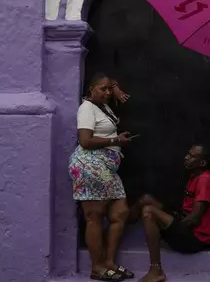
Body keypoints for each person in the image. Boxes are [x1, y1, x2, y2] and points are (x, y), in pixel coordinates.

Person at [69, 73, 135, 281]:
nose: (107, 92)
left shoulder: (102, 106)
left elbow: (109, 79)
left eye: (109, 89)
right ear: (91, 90)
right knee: (94, 217)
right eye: (102, 89)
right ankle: (97, 267)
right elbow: (85, 140)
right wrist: (115, 139)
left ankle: (109, 262)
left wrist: (115, 88)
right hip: (90, 165)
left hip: (107, 168)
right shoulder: (86, 108)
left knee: (120, 212)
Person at [134, 144, 210, 282]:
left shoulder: (205, 180)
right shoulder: (195, 176)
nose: (186, 157)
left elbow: (194, 219)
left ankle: (156, 270)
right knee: (146, 199)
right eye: (188, 154)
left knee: (149, 212)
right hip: (184, 222)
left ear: (202, 163)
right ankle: (124, 221)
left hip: (195, 238)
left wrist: (168, 226)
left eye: (191, 156)